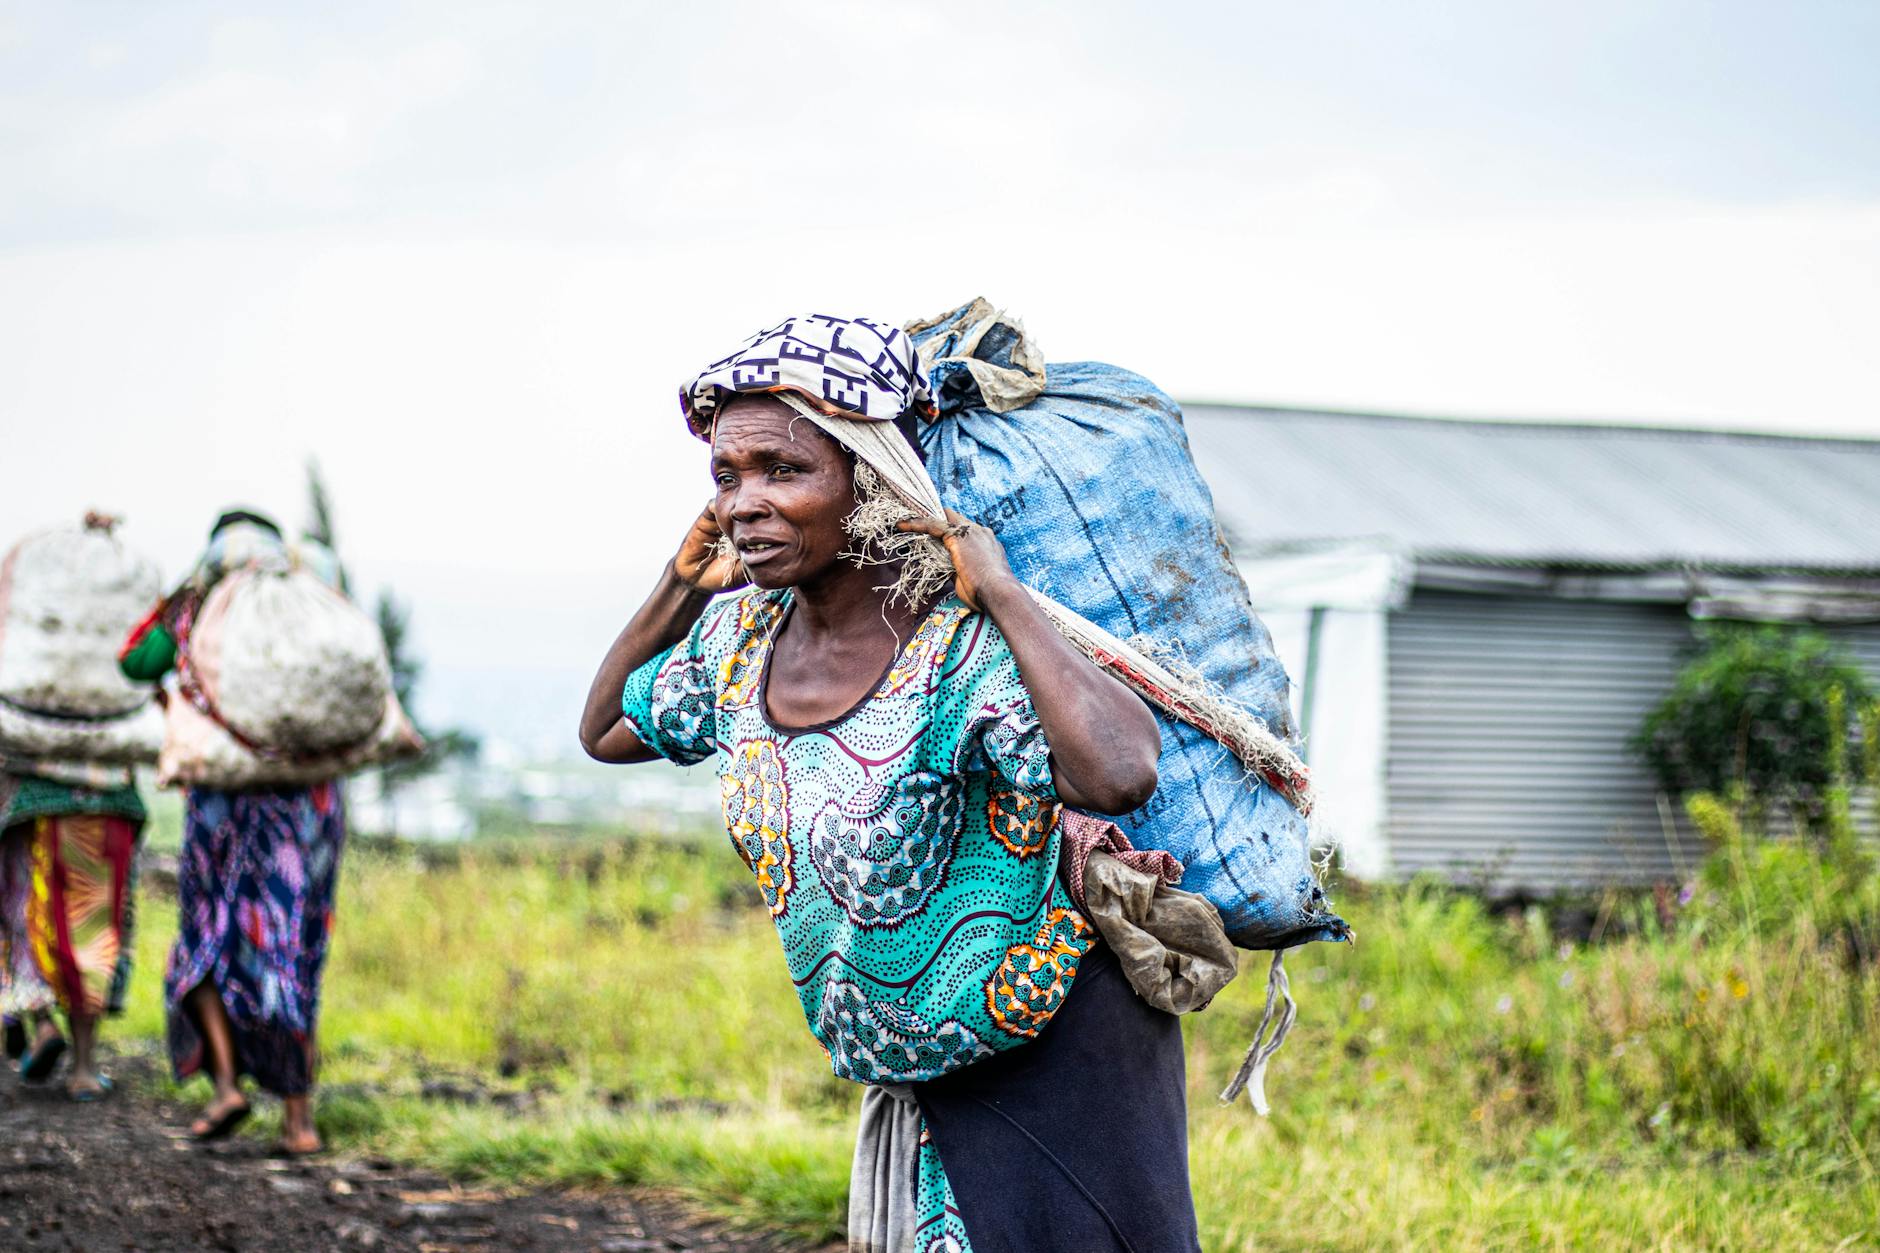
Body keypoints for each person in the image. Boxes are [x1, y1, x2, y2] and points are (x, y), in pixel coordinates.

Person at [581, 315, 1200, 1253]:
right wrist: (680, 584)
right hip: (921, 1085)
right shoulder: (739, 644)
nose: (745, 501)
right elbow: (606, 728)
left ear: (871, 476)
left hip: (1056, 1068)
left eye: (783, 470)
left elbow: (1118, 773)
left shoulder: (958, 653)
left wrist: (1001, 593)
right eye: (726, 474)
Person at [119, 508, 347, 1155]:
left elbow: (135, 661)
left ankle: (226, 1084)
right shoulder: (307, 600)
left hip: (221, 803)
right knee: (292, 948)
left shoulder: (200, 609)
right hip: (306, 810)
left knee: (206, 938)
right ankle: (299, 1119)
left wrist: (181, 595)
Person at [0, 759, 144, 1101]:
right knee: (91, 931)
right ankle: (83, 1068)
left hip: (30, 801)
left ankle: (42, 1020)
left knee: (24, 913)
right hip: (106, 800)